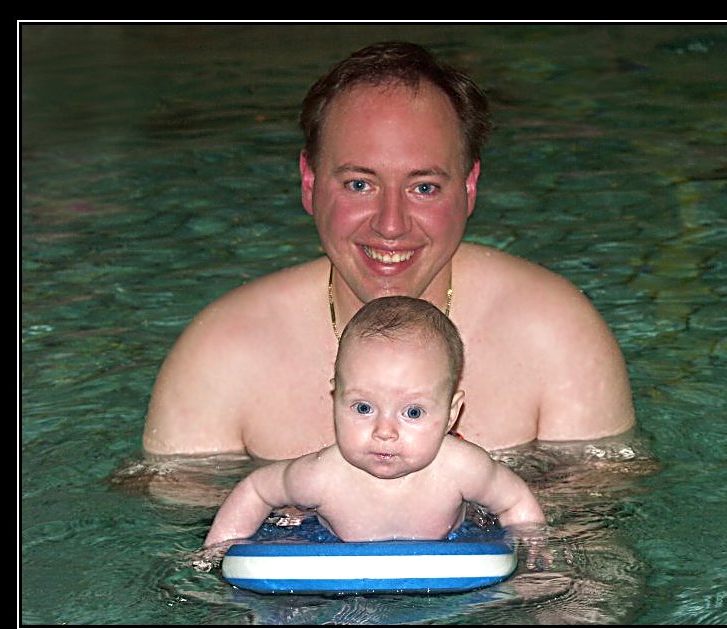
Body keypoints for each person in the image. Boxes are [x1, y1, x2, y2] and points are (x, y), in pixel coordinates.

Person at [143, 40, 635, 465]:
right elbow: (182, 555)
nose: (391, 224)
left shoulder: (555, 337)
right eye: (360, 184)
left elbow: (596, 549)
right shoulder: (222, 357)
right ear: (310, 183)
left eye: (423, 187)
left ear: (469, 189)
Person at [203, 296, 546, 551]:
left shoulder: (463, 468)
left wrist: (533, 549)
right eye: (364, 407)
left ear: (451, 414)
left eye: (412, 413)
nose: (384, 431)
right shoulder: (320, 476)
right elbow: (256, 490)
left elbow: (515, 501)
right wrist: (218, 549)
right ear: (335, 399)